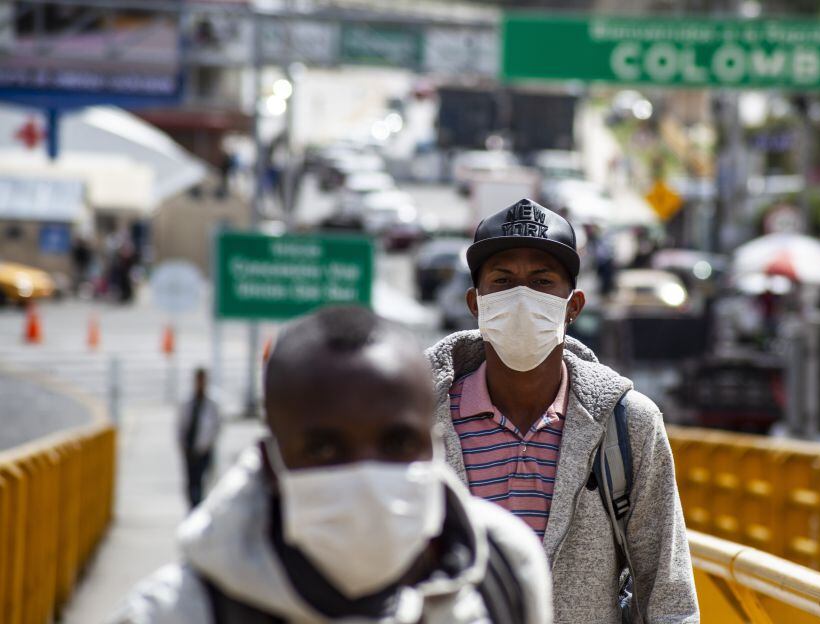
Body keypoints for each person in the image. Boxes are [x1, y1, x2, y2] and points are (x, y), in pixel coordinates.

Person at [114, 306, 552, 624]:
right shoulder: (173, 613)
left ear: (433, 448)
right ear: (272, 465)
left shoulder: (503, 572)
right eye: (324, 450)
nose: (366, 478)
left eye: (397, 442)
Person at [427, 199, 699, 623]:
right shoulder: (420, 422)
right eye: (502, 280)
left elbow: (669, 592)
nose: (521, 297)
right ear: (475, 303)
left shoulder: (626, 425)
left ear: (573, 306)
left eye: (541, 281)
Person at [177, 368, 222, 508]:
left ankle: (200, 507)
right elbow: (181, 425)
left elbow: (217, 426)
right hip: (189, 448)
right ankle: (193, 506)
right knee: (191, 481)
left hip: (204, 449)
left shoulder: (212, 403)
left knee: (204, 480)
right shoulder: (187, 402)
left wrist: (207, 444)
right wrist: (182, 445)